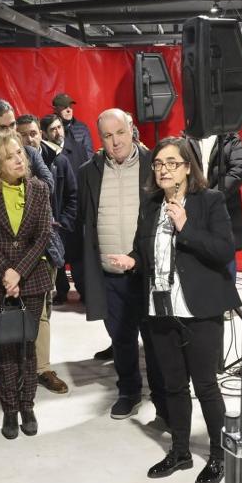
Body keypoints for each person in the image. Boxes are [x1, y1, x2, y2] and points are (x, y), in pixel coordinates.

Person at [105, 137, 240, 483]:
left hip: (199, 309)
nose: (163, 170)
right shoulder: (151, 204)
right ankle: (180, 451)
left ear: (187, 168)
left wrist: (186, 227)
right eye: (158, 164)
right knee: (173, 384)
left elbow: (224, 250)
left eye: (171, 163)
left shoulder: (209, 201)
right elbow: (143, 251)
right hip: (159, 308)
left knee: (205, 385)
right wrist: (132, 261)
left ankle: (219, 455)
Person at [77, 109, 165, 420]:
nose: (115, 142)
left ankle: (163, 397)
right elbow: (85, 219)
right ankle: (128, 391)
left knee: (156, 340)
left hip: (148, 273)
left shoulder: (154, 164)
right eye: (107, 136)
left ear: (132, 130)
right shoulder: (88, 171)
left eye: (120, 133)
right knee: (121, 339)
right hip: (109, 275)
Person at [0, 133, 53, 438]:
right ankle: (10, 409)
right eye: (9, 156)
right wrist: (6, 272)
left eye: (19, 153)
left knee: (28, 347)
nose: (19, 159)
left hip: (33, 278)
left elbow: (43, 235)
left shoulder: (39, 188)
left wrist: (19, 273)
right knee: (3, 350)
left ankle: (27, 405)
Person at [17, 114, 76, 394]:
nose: (29, 139)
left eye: (33, 133)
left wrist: (61, 225)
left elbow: (70, 195)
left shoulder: (56, 160)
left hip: (49, 243)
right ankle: (21, 365)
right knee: (19, 310)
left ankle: (40, 366)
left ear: (40, 133)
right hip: (16, 250)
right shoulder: (2, 162)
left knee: (43, 307)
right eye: (23, 134)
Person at [186, 128, 242, 275]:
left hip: (225, 208)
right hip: (195, 209)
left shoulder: (231, 138)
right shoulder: (188, 137)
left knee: (225, 261)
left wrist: (213, 197)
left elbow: (239, 170)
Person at [42, 113, 84, 303]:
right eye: (53, 129)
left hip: (74, 214)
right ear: (45, 133)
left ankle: (84, 290)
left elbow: (78, 187)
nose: (58, 132)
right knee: (57, 257)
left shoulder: (77, 148)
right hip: (55, 217)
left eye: (59, 127)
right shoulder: (44, 157)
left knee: (77, 258)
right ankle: (61, 291)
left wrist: (68, 219)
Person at [51, 93, 95, 169]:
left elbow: (89, 153)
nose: (69, 110)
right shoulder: (49, 129)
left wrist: (89, 171)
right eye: (64, 107)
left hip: (81, 171)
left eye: (70, 106)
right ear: (55, 109)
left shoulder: (82, 128)